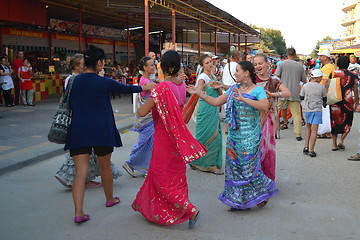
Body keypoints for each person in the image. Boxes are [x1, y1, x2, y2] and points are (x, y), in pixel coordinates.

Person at [64, 45, 156, 224]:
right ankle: (109, 199)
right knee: (104, 166)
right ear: (99, 63)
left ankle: (78, 212)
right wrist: (151, 86)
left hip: (78, 130)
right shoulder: (103, 81)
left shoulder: (73, 81)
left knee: (80, 173)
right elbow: (128, 89)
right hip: (101, 130)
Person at [187, 61, 278, 211]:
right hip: (234, 136)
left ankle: (260, 193)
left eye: (237, 71)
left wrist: (244, 99)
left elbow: (264, 106)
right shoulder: (234, 89)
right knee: (235, 168)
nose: (235, 74)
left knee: (248, 168)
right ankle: (236, 200)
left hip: (250, 136)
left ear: (247, 73)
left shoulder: (257, 90)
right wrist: (199, 93)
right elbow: (216, 102)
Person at [132, 50, 206, 228]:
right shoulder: (181, 85)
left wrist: (145, 95)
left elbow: (142, 112)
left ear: (161, 67)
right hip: (176, 137)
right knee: (174, 176)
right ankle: (152, 209)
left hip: (164, 137)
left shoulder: (162, 88)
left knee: (161, 177)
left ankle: (190, 210)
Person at [55, 54, 122, 189]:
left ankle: (85, 180)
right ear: (76, 66)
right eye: (82, 64)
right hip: (80, 124)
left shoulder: (80, 78)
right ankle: (76, 180)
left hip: (86, 124)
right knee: (83, 160)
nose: (85, 67)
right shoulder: (73, 79)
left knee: (92, 158)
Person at [254, 54, 291, 180]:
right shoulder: (252, 80)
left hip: (269, 119)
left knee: (268, 150)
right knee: (254, 149)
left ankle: (268, 179)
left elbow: (287, 92)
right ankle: (255, 179)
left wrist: (273, 94)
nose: (258, 66)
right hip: (253, 119)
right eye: (255, 64)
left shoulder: (274, 80)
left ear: (267, 64)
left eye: (260, 63)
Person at [189, 54, 223, 175]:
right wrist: (198, 91)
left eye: (211, 62)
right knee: (207, 136)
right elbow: (198, 91)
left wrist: (218, 87)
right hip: (205, 110)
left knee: (215, 136)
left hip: (213, 108)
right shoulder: (202, 77)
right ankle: (209, 165)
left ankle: (200, 161)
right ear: (202, 65)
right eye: (207, 63)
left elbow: (219, 93)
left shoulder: (212, 76)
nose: (210, 64)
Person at [123, 56, 156, 177]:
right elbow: (153, 88)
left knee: (150, 143)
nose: (154, 67)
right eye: (151, 65)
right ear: (145, 68)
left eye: (154, 64)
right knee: (143, 142)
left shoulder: (149, 79)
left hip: (150, 116)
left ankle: (146, 167)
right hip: (146, 118)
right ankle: (130, 163)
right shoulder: (144, 81)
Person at [275, 48, 307, 141]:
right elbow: (304, 80)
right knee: (296, 114)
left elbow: (276, 76)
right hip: (294, 92)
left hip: (282, 92)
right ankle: (298, 134)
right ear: (295, 54)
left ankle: (274, 132)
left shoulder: (281, 64)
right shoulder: (300, 66)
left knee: (276, 112)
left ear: (286, 54)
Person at [329, 56, 359, 151]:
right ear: (348, 64)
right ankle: (341, 140)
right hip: (348, 100)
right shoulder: (353, 75)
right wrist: (357, 102)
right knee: (348, 121)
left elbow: (329, 86)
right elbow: (355, 90)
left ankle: (334, 144)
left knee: (334, 121)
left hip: (335, 100)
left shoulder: (333, 74)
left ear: (337, 64)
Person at [300, 69, 327, 157]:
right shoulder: (322, 87)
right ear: (318, 77)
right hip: (317, 110)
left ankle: (306, 147)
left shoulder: (305, 86)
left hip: (307, 109)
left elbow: (301, 97)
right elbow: (324, 99)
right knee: (314, 130)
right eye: (321, 77)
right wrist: (325, 105)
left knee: (308, 127)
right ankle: (312, 150)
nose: (322, 79)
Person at [317, 50, 336, 139]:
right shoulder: (330, 66)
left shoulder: (327, 67)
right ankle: (326, 131)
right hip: (329, 92)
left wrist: (319, 91)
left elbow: (325, 81)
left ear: (325, 57)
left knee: (325, 113)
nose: (319, 57)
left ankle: (326, 132)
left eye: (321, 56)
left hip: (325, 93)